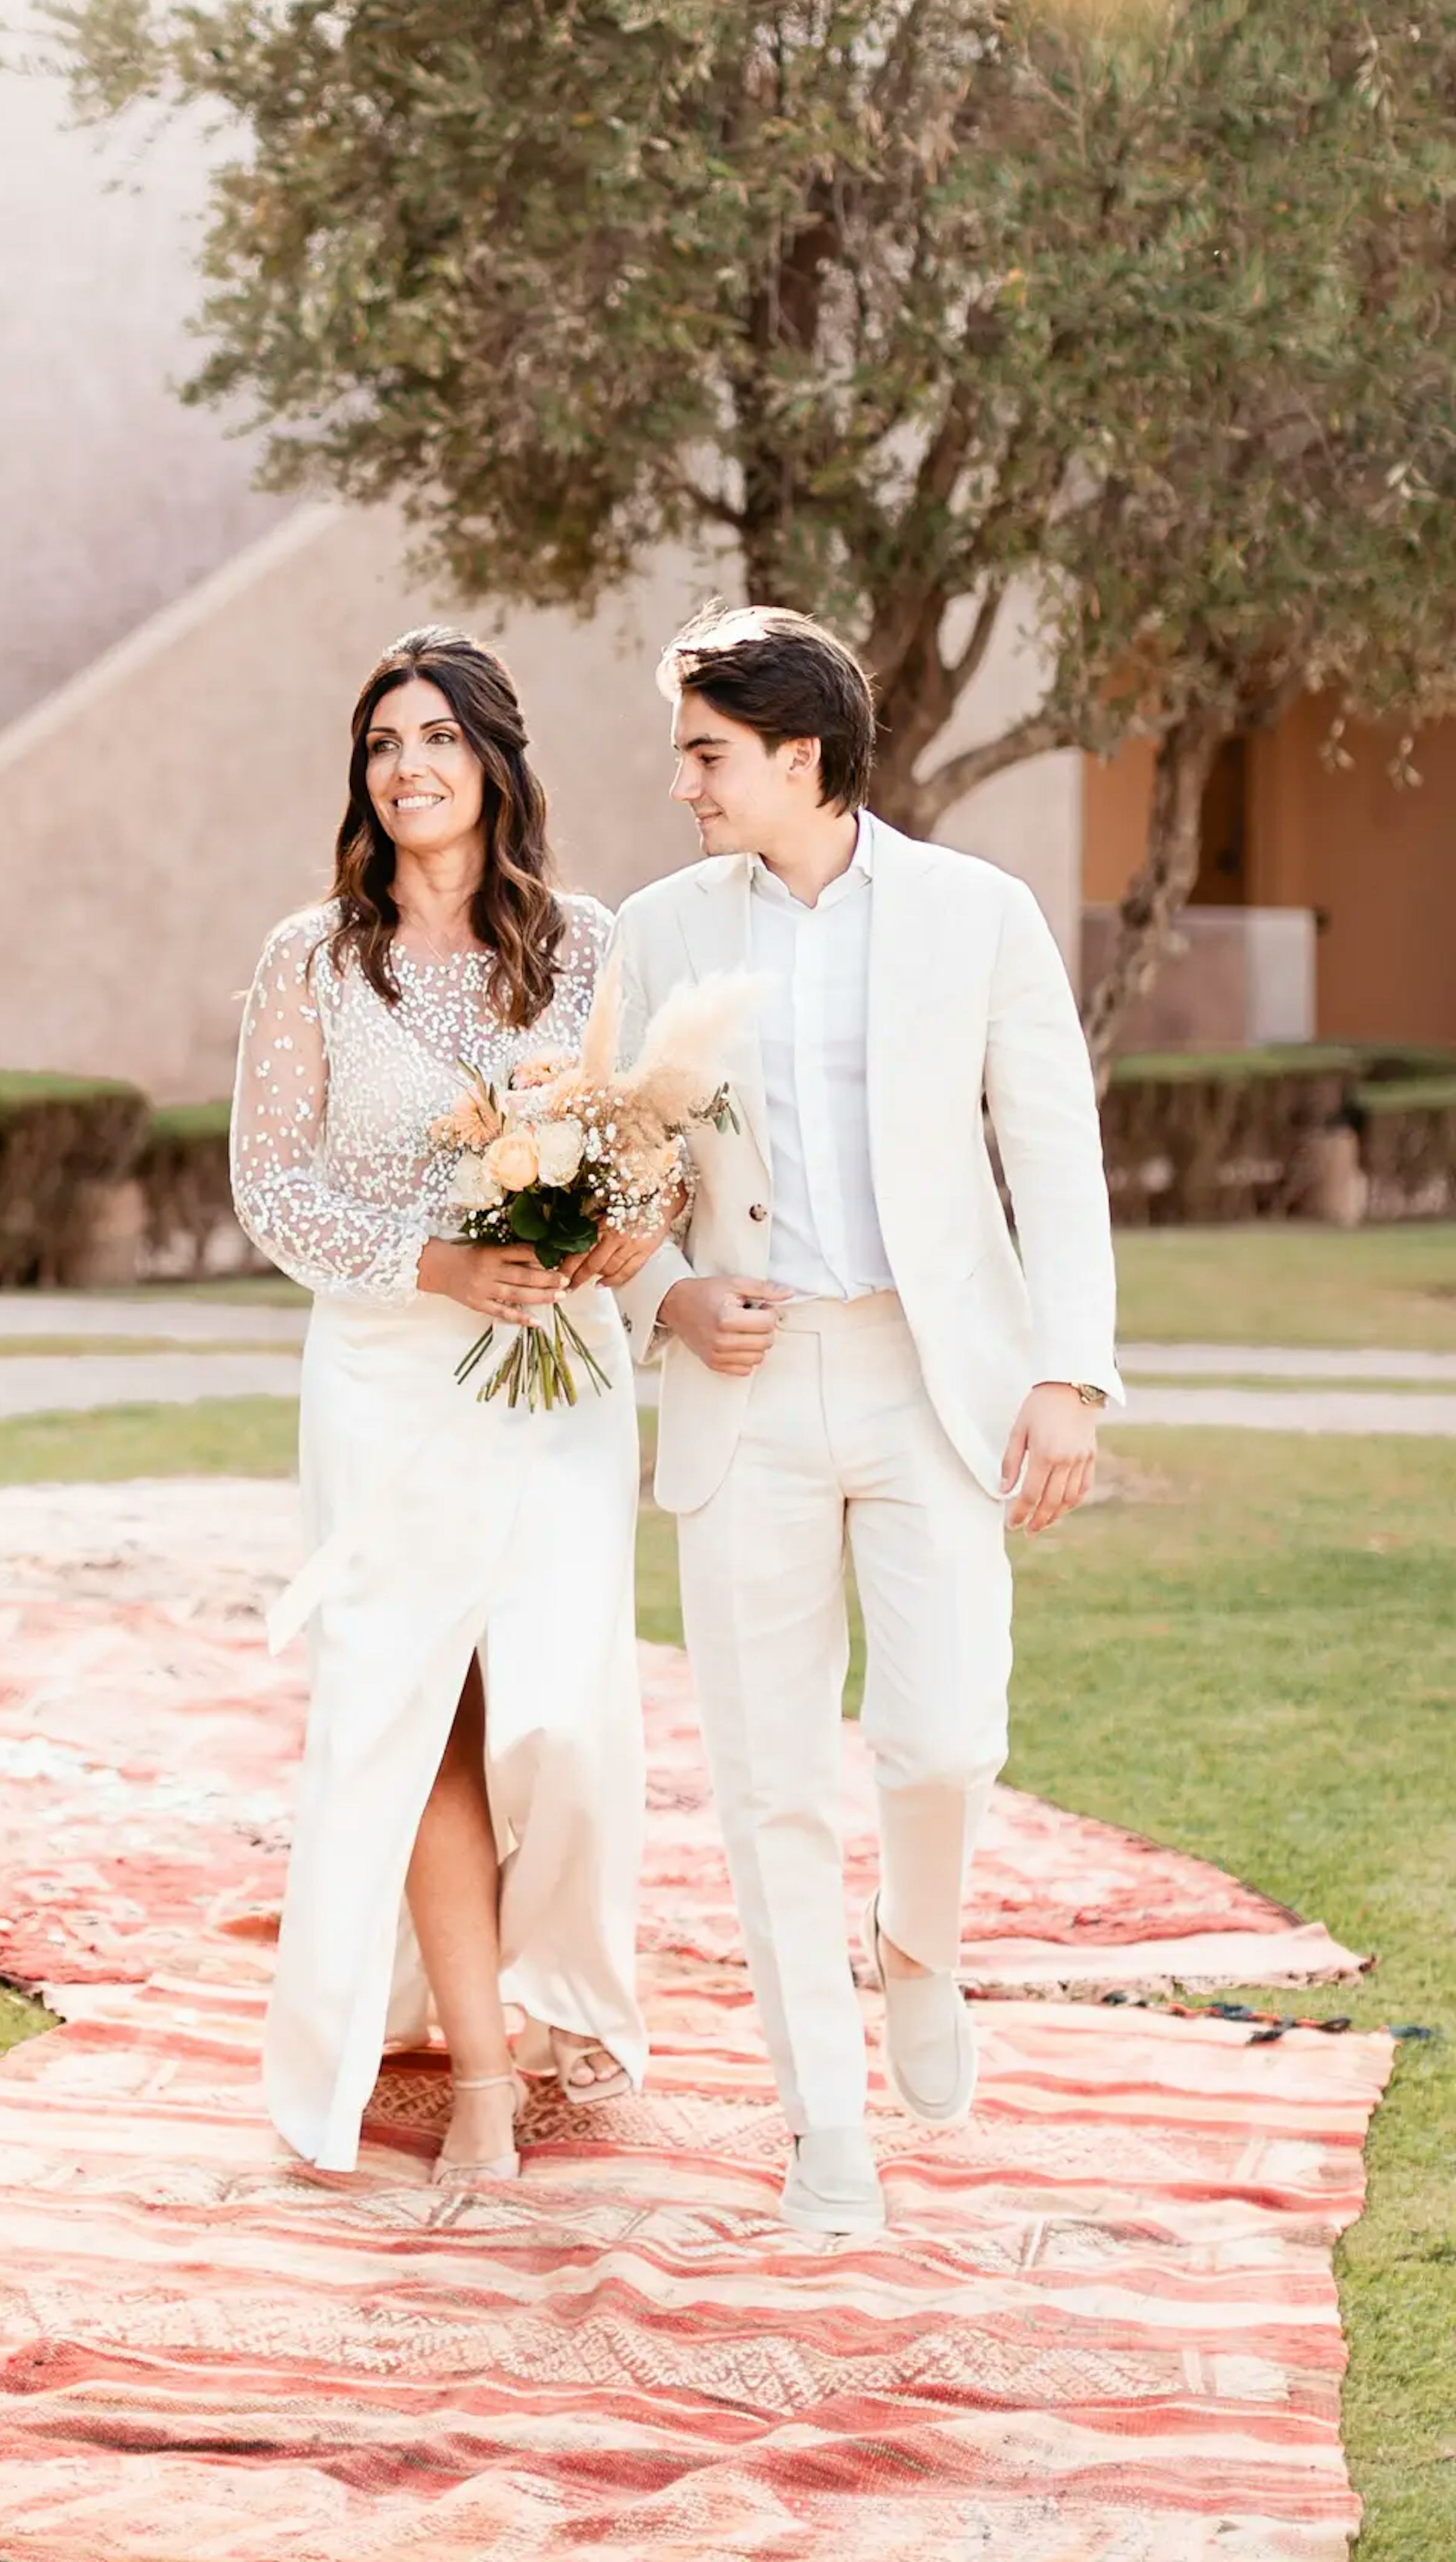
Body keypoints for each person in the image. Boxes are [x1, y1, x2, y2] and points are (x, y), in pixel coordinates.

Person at [610, 606, 1121, 2238]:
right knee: (767, 1774)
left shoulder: (980, 914)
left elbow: (1052, 1153)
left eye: (707, 752)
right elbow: (618, 1180)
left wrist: (1071, 1372)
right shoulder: (661, 930)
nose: (683, 782)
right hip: (747, 1391)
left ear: (799, 753)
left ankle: (918, 1940)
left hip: (930, 1380)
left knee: (949, 1732)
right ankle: (823, 2130)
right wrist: (668, 1297)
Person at [232, 626, 655, 2183]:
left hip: (562, 1377)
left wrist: (630, 1224)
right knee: (419, 1715)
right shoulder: (312, 960)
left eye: (436, 739)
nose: (408, 768)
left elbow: (644, 1141)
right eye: (383, 743)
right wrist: (435, 1263)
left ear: (493, 763)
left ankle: (551, 1991)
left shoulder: (590, 945)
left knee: (560, 1714)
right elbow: (269, 1188)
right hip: (391, 1374)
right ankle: (483, 2067)